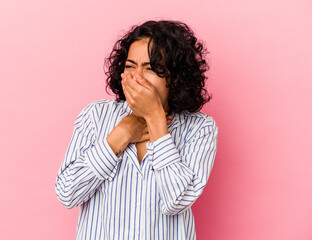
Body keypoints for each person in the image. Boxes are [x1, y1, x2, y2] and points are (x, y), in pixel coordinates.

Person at [55, 20, 219, 240]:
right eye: (131, 66)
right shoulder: (95, 116)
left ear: (177, 78)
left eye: (151, 68)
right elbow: (67, 193)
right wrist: (120, 135)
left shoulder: (200, 129)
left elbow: (176, 201)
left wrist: (154, 118)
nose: (137, 77)